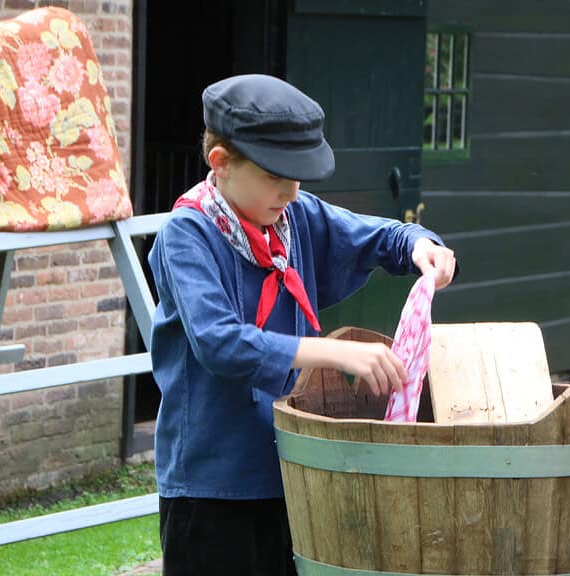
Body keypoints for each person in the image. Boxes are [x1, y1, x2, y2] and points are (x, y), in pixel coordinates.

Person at [147, 74, 457, 576]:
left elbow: (381, 236)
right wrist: (333, 352)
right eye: (275, 175)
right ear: (220, 164)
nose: (291, 191)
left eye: (299, 177)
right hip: (211, 486)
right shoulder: (188, 236)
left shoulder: (297, 217)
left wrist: (423, 246)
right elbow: (220, 343)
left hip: (294, 473)